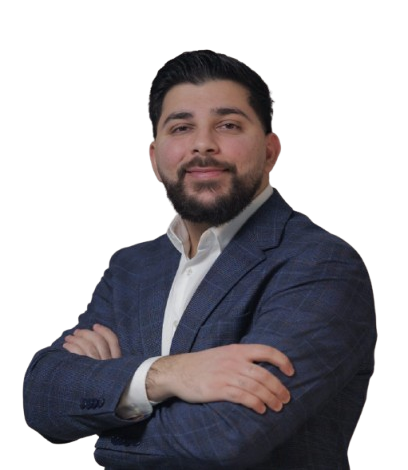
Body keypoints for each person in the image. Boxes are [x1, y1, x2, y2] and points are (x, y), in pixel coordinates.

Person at [23, 50, 376, 469]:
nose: (203, 144)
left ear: (270, 150)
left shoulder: (322, 265)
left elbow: (225, 437)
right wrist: (168, 374)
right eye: (181, 127)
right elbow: (42, 398)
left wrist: (104, 421)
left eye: (228, 125)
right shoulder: (132, 267)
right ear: (155, 159)